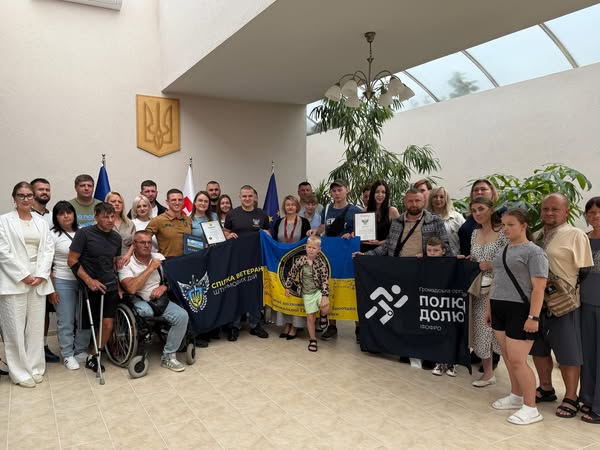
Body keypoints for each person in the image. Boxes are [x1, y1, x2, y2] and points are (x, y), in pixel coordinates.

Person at [356, 188, 450, 367]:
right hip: (401, 275)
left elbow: (445, 247)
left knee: (425, 317)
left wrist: (427, 256)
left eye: (417, 201)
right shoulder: (397, 222)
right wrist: (365, 256)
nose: (414, 204)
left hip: (426, 275)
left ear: (423, 201)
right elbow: (387, 247)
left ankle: (428, 354)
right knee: (405, 315)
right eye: (410, 201)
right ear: (405, 202)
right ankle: (407, 350)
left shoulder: (435, 221)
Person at [530, 193, 593, 418]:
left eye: (555, 209)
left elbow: (585, 271)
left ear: (566, 211)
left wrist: (564, 291)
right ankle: (546, 388)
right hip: (537, 302)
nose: (549, 213)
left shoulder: (575, 234)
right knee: (538, 349)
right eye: (545, 209)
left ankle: (571, 397)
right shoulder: (536, 235)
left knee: (568, 353)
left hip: (564, 305)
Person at [487, 208, 547, 425]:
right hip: (499, 306)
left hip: (520, 310)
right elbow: (496, 279)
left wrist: (534, 317)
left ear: (524, 226)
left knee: (517, 360)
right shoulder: (502, 250)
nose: (506, 229)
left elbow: (539, 288)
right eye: (503, 225)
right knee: (507, 356)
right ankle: (516, 395)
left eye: (511, 224)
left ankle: (531, 408)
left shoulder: (534, 252)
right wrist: (489, 308)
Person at [0, 182, 55, 387]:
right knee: (14, 329)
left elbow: (48, 249)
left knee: (35, 328)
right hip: (14, 280)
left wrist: (41, 274)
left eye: (29, 195)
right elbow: (3, 252)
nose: (26, 199)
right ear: (14, 198)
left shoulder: (41, 222)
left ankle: (35, 367)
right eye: (21, 195)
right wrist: (23, 275)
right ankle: (19, 372)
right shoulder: (4, 221)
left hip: (38, 279)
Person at [119, 230, 189, 372]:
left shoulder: (159, 257)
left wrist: (164, 287)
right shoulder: (126, 263)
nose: (146, 245)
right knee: (146, 311)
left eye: (149, 242)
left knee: (182, 315)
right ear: (134, 244)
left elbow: (174, 279)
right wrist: (151, 268)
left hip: (160, 300)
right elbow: (131, 288)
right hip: (139, 300)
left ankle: (168, 356)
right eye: (142, 242)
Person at [68, 202, 122, 372]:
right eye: (105, 217)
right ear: (96, 217)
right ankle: (78, 352)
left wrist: (119, 285)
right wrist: (89, 281)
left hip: (110, 286)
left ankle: (94, 355)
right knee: (87, 324)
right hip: (90, 286)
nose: (110, 220)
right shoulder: (84, 233)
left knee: (108, 324)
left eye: (112, 216)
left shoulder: (116, 238)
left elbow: (114, 263)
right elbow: (72, 260)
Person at [308, 179, 362, 340]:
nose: (337, 193)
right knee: (329, 288)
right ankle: (332, 326)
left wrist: (353, 234)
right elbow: (323, 227)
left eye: (340, 190)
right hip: (330, 255)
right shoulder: (327, 209)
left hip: (348, 256)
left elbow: (363, 232)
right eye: (334, 191)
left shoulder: (356, 210)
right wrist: (315, 232)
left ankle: (359, 327)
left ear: (347, 190)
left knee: (351, 289)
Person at [223, 185, 270, 341]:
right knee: (236, 291)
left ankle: (255, 325)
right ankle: (234, 326)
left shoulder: (262, 214)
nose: (247, 199)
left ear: (254, 197)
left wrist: (266, 233)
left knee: (255, 291)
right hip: (236, 260)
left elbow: (268, 234)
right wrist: (228, 235)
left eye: (250, 196)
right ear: (240, 197)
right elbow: (226, 232)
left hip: (256, 259)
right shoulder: (232, 214)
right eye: (244, 196)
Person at [48, 201, 91, 370]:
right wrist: (51, 289)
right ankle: (67, 354)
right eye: (61, 214)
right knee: (66, 319)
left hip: (84, 280)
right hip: (62, 280)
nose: (66, 216)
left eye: (69, 212)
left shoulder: (83, 231)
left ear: (74, 214)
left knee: (84, 317)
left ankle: (80, 350)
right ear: (56, 217)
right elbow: (47, 264)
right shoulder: (52, 235)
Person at [469, 196, 507, 387]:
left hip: (499, 288)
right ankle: (488, 372)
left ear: (491, 210)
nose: (477, 213)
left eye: (481, 209)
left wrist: (491, 264)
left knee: (500, 333)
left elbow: (512, 258)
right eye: (474, 210)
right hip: (479, 289)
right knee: (481, 329)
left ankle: (516, 377)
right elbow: (474, 258)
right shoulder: (474, 233)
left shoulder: (503, 232)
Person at [31, 177, 61, 363]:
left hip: (50, 272)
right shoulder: (25, 215)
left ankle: (42, 347)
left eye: (47, 190)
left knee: (44, 312)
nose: (44, 192)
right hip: (31, 273)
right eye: (40, 189)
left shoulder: (52, 217)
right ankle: (27, 349)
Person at [273, 195, 311, 340]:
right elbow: (274, 242)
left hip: (298, 263)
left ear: (297, 207)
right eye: (287, 204)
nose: (290, 207)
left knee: (295, 293)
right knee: (284, 293)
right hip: (282, 264)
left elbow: (308, 242)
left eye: (293, 205)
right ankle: (286, 324)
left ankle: (295, 326)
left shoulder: (304, 222)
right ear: (284, 206)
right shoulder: (278, 222)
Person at [284, 235, 330, 352]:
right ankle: (313, 339)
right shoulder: (301, 260)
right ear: (306, 247)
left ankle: (324, 316)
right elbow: (292, 273)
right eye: (309, 247)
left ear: (319, 249)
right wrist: (288, 287)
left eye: (314, 248)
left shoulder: (321, 263)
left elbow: (325, 280)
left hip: (318, 290)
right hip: (307, 294)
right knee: (310, 317)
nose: (311, 250)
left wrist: (324, 296)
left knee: (325, 306)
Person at [580, 196, 600, 424]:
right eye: (591, 212)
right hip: (585, 305)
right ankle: (587, 398)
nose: (596, 216)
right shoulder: (583, 239)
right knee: (587, 355)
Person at [426, 237, 458, 377]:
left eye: (436, 250)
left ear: (443, 251)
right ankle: (439, 361)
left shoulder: (450, 264)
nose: (432, 253)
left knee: (450, 333)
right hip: (432, 304)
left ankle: (451, 362)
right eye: (429, 250)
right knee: (436, 332)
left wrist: (458, 261)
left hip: (448, 305)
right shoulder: (423, 264)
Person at [458, 179, 499, 256]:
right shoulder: (473, 226)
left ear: (492, 192)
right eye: (476, 190)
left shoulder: (503, 216)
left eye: (483, 189)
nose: (479, 192)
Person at [146, 189, 192, 258]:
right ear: (167, 202)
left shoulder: (188, 220)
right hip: (168, 261)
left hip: (187, 259)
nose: (177, 203)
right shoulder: (158, 220)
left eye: (180, 200)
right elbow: (142, 239)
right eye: (173, 200)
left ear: (183, 202)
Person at [360, 180, 400, 252]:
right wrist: (354, 234)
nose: (380, 195)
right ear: (372, 193)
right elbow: (361, 233)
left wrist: (379, 242)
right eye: (377, 192)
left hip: (385, 252)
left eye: (383, 192)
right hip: (366, 251)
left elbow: (397, 237)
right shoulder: (365, 211)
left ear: (386, 194)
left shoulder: (392, 211)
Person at [427, 186, 465, 256]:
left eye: (442, 197)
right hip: (432, 259)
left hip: (455, 258)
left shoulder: (457, 217)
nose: (438, 199)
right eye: (435, 197)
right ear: (431, 199)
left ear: (446, 199)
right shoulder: (425, 218)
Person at [105, 191, 136, 259]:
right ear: (106, 204)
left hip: (127, 260)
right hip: (107, 260)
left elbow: (134, 243)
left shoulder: (130, 223)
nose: (117, 204)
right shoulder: (101, 223)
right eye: (113, 201)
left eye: (120, 202)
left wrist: (127, 256)